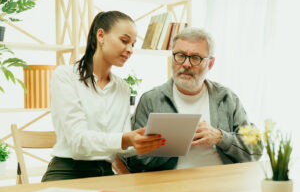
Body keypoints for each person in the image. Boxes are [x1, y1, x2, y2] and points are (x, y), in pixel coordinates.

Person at [42, 11, 165, 182]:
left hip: (106, 173)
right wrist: (126, 139)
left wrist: (147, 142)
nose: (129, 50)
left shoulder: (122, 88)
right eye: (124, 40)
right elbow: (79, 143)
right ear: (101, 36)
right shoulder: (65, 76)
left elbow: (121, 144)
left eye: (132, 44)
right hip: (67, 173)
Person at [122, 27, 262, 172]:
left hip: (220, 183)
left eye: (195, 58)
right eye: (180, 55)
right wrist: (174, 142)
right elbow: (134, 161)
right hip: (169, 186)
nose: (186, 64)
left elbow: (256, 149)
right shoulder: (151, 100)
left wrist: (221, 137)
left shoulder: (227, 98)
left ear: (210, 63)